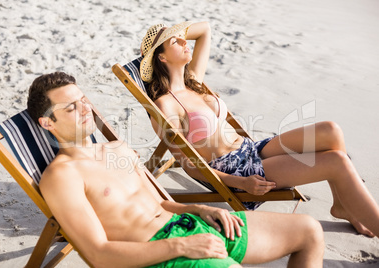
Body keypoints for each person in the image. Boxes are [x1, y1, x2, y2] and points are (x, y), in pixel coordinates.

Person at [27, 72, 324, 268]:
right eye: (71, 108)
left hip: (190, 226)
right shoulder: (62, 175)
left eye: (83, 101)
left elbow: (160, 203)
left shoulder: (116, 148)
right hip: (158, 252)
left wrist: (200, 209)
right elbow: (98, 253)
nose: (84, 109)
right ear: (47, 123)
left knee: (308, 231)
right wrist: (181, 246)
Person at [139, 21, 379, 238]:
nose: (184, 41)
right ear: (161, 58)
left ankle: (341, 205)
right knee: (337, 161)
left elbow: (205, 30)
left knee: (331, 130)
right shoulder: (165, 105)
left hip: (251, 148)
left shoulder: (194, 81)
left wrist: (171, 34)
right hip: (238, 171)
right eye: (175, 41)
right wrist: (240, 184)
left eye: (182, 37)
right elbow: (190, 165)